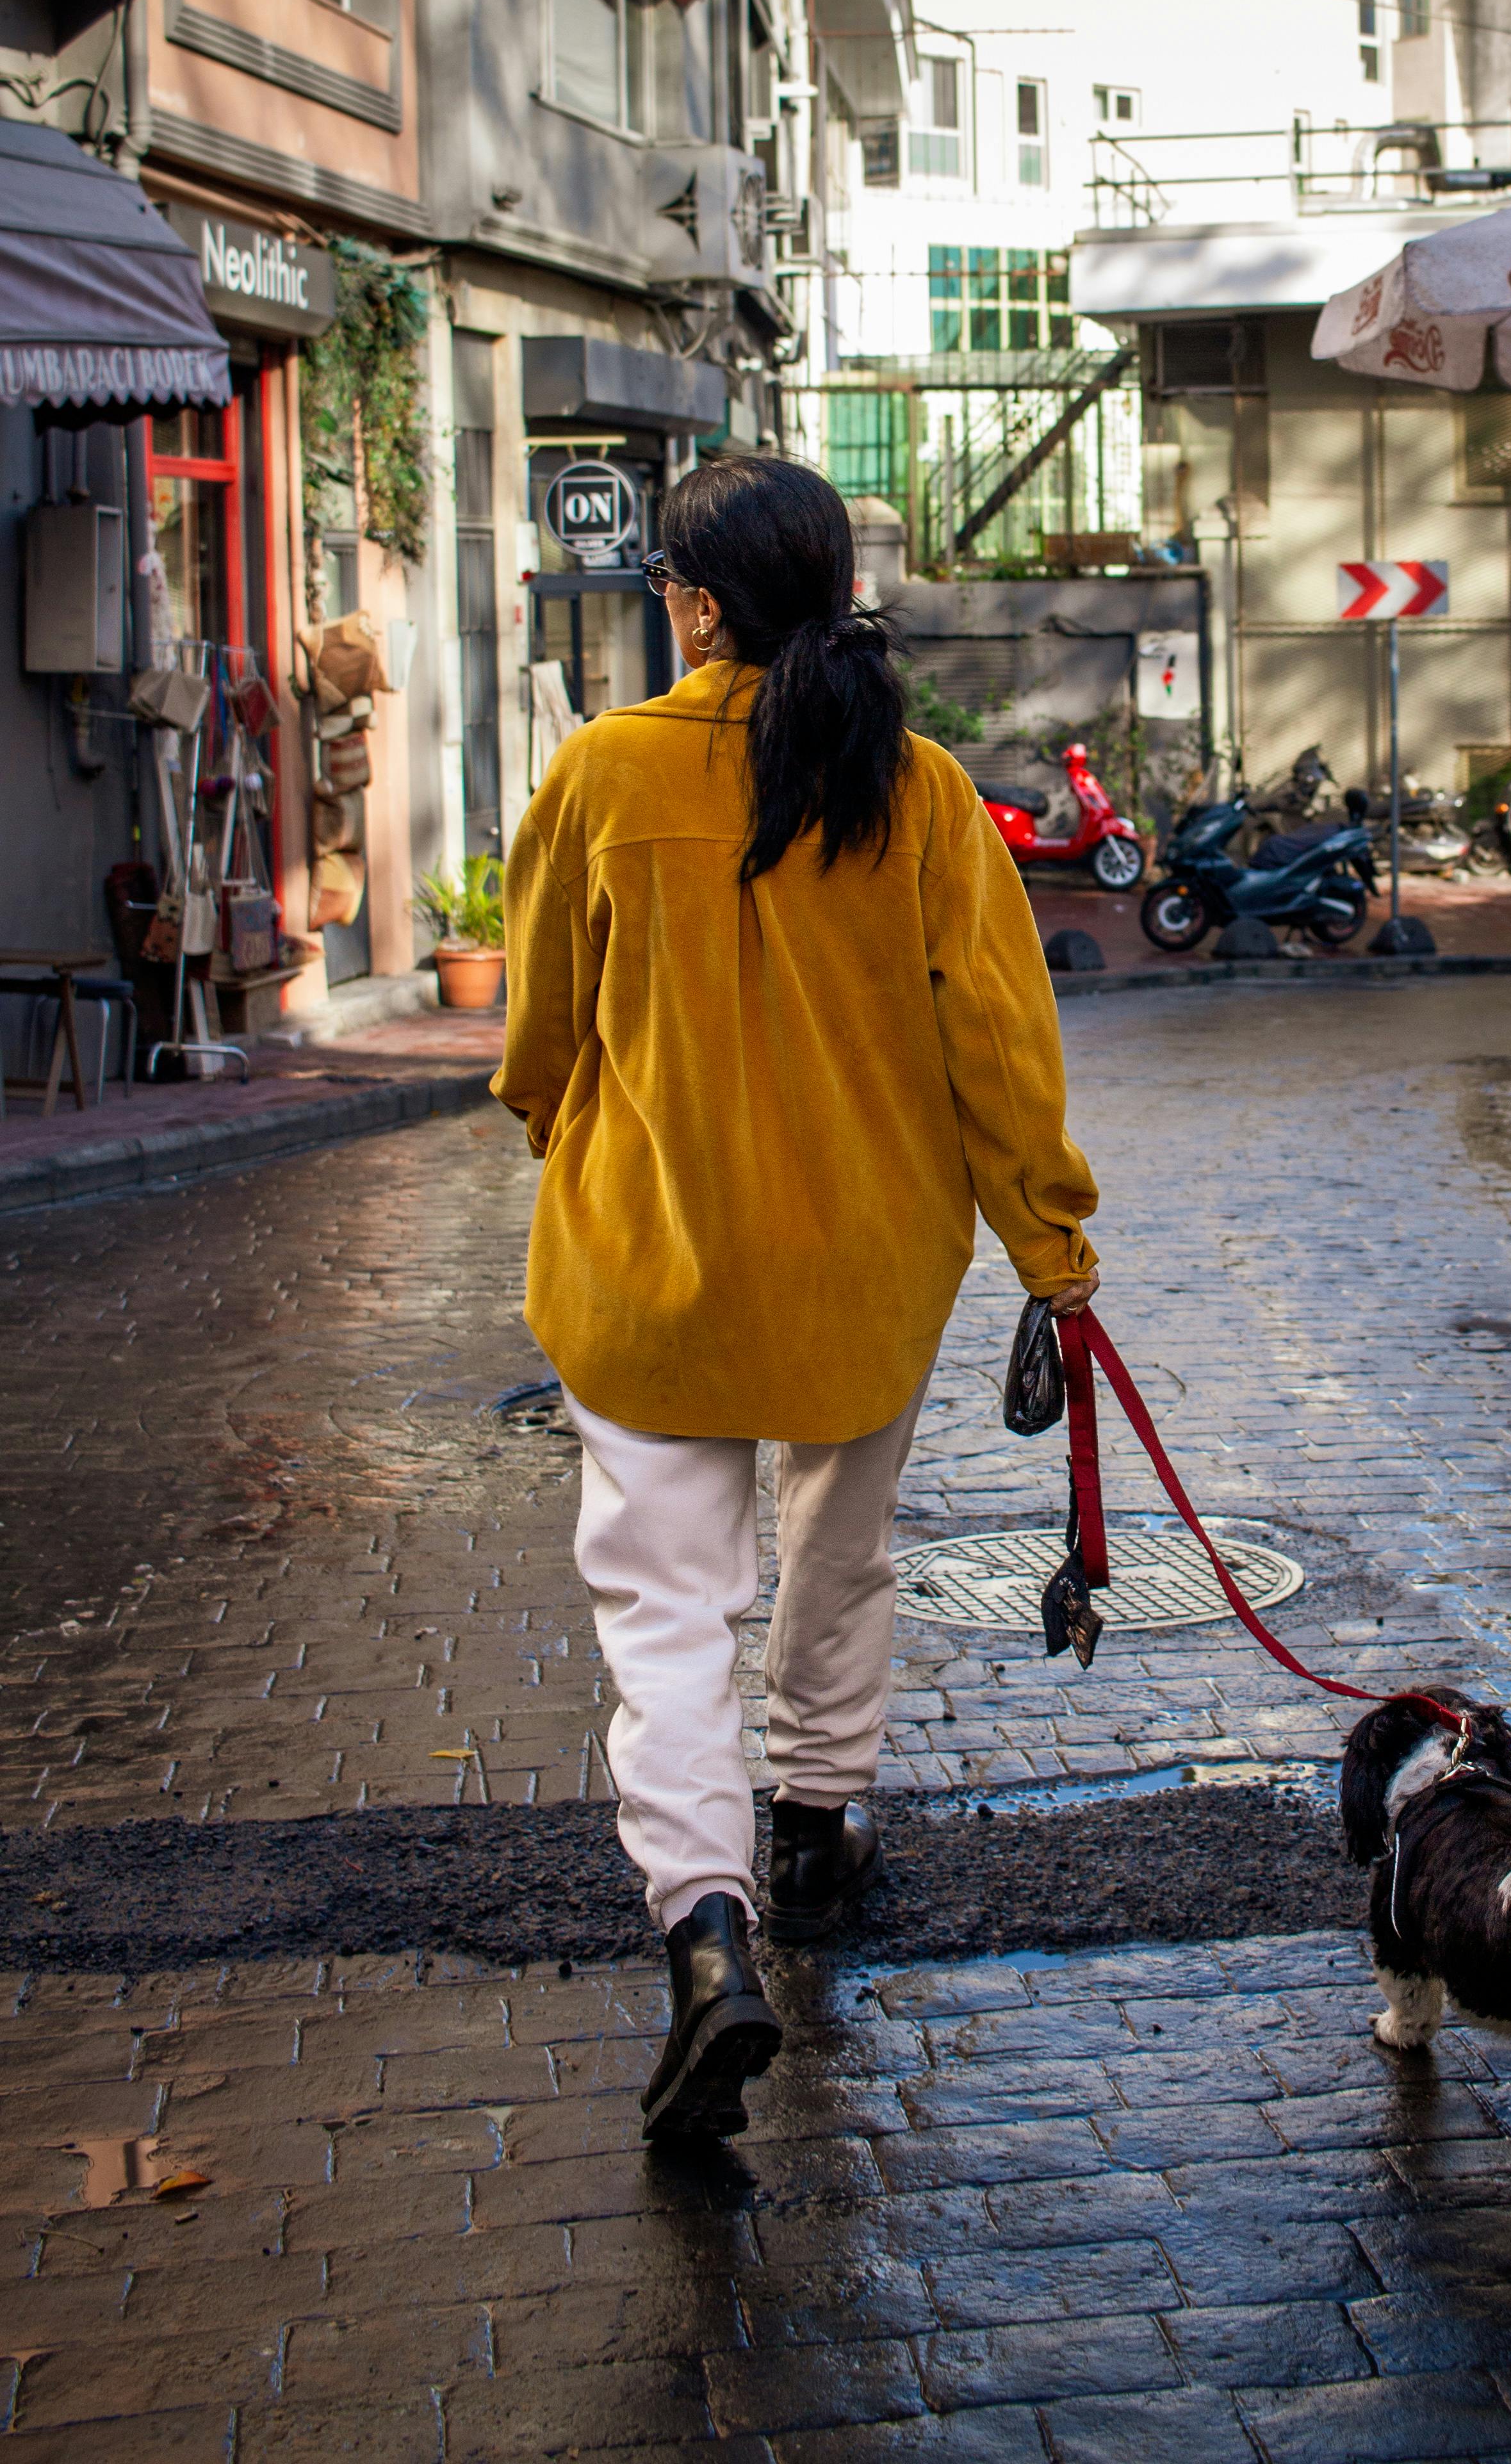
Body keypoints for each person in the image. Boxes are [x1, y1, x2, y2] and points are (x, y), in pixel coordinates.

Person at [492, 457, 1099, 2143]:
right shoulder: (914, 787)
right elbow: (997, 1048)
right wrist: (1053, 1253)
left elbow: (546, 1020)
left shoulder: (605, 772)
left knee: (665, 1609)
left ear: (690, 602)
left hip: (648, 1267)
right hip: (868, 1263)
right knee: (842, 1548)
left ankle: (705, 1924)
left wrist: (562, 1123)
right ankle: (821, 1825)